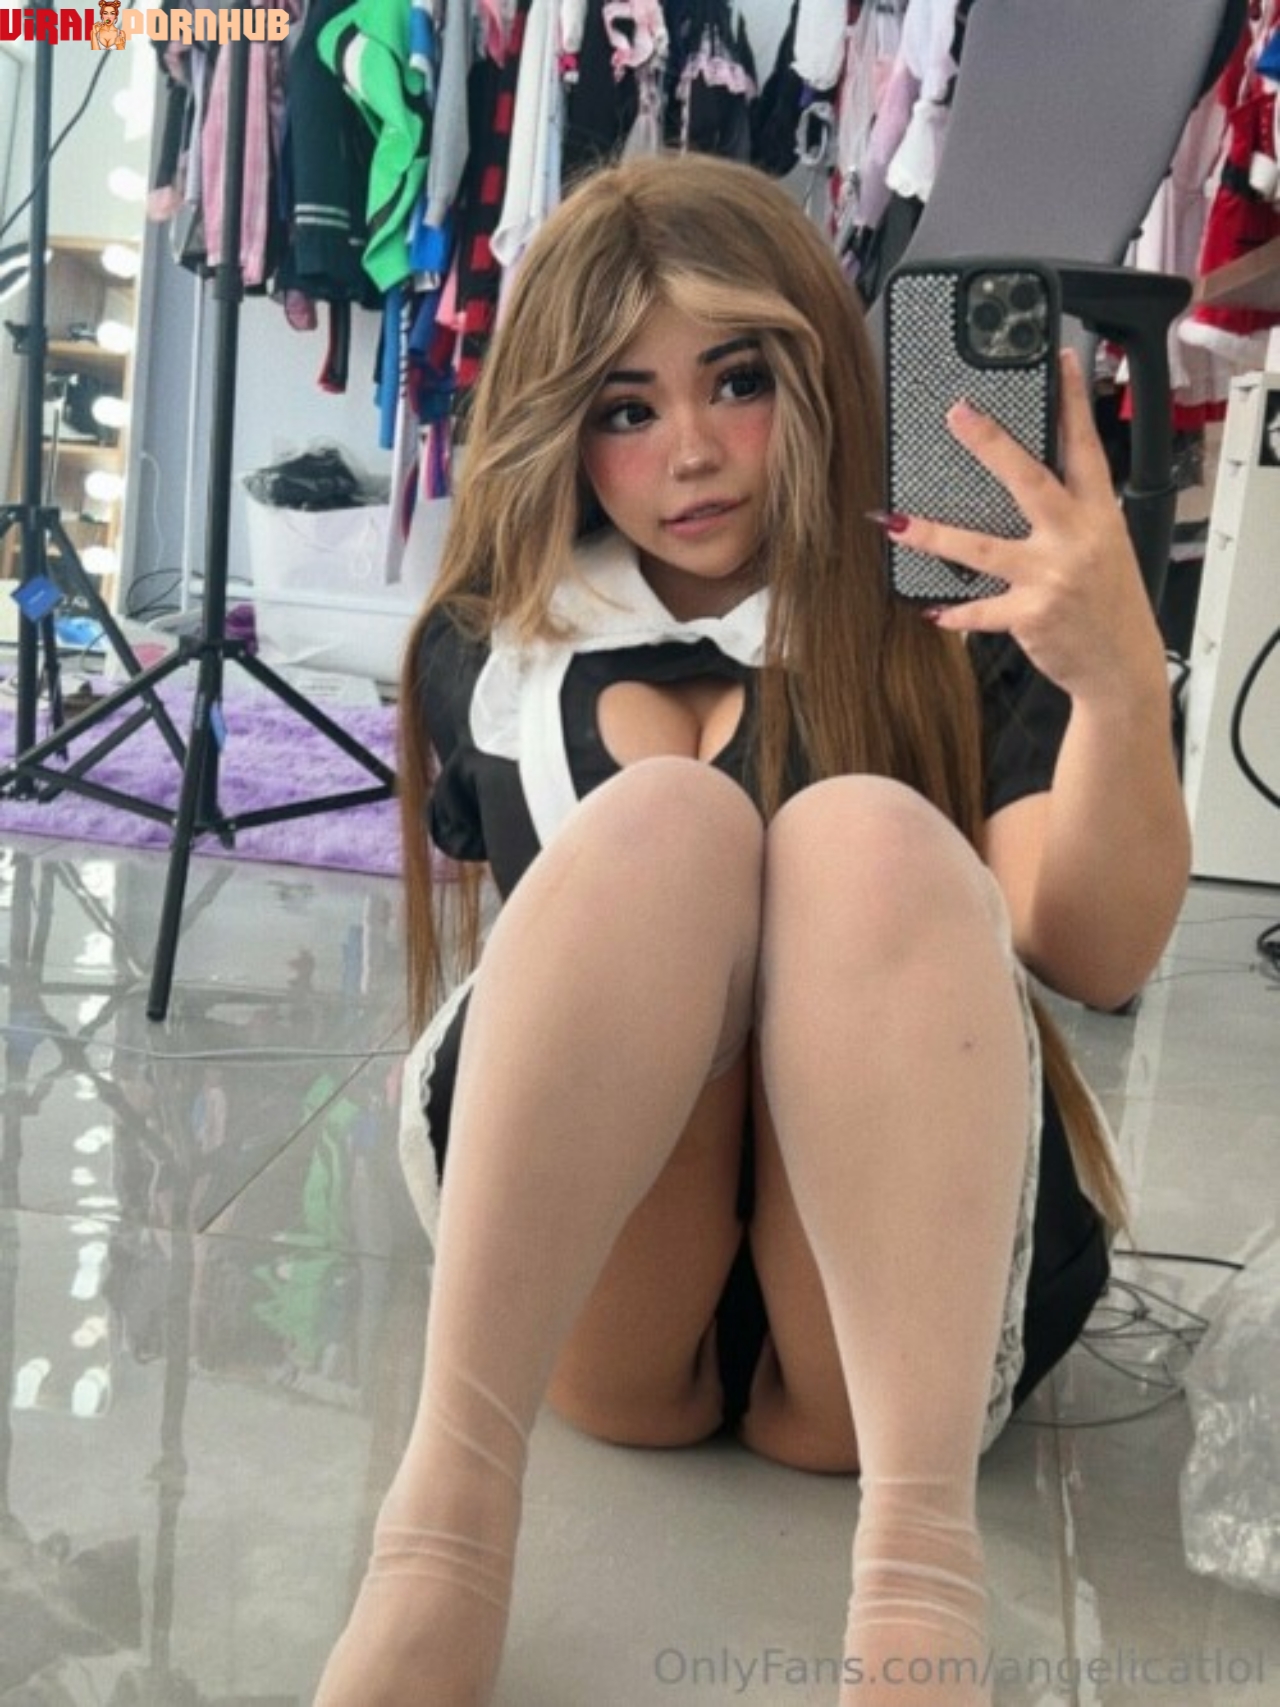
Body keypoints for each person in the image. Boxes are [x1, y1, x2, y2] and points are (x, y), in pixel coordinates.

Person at [314, 152, 1190, 1706]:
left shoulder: (949, 610)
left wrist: (1118, 684)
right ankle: (440, 1528)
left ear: (819, 371)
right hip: (605, 1265)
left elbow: (1095, 952)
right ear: (557, 424)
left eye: (739, 381)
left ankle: (920, 1585)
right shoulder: (500, 636)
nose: (693, 453)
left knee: (861, 839)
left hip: (890, 1305)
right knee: (665, 831)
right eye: (625, 407)